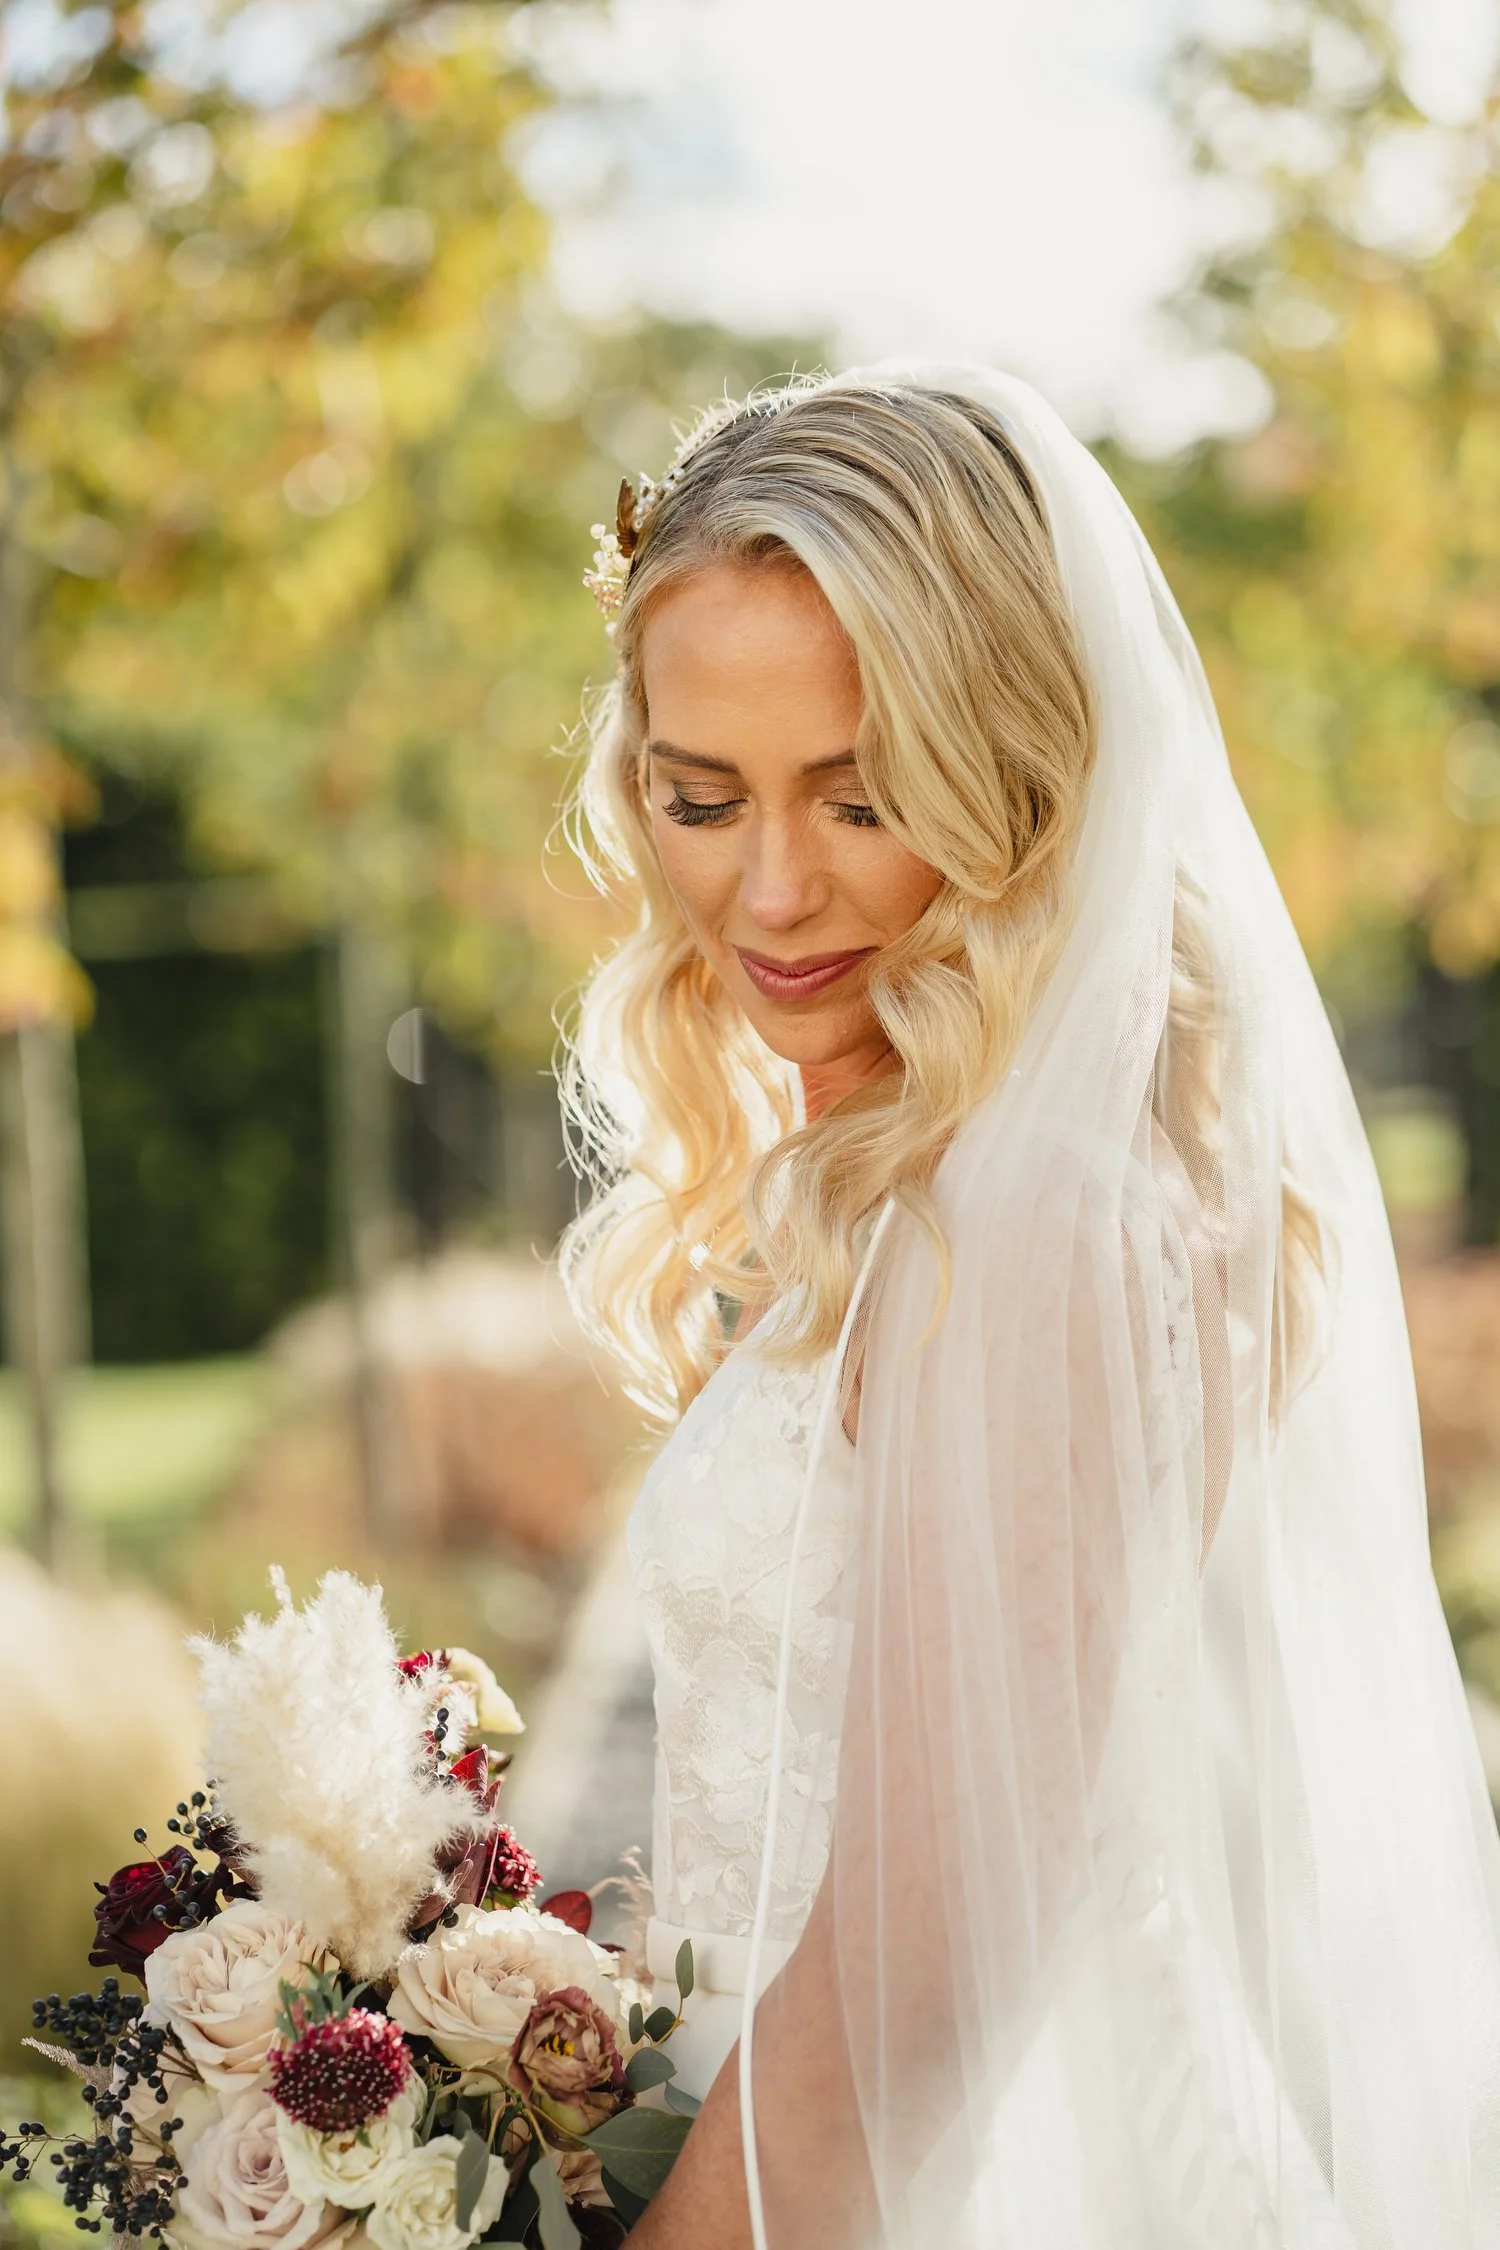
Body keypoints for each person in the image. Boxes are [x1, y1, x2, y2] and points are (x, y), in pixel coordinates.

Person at [559, 366, 1500, 2249]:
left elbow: (910, 1999)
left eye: (863, 792)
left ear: (1019, 765)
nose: (768, 886)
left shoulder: (1034, 1207)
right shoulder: (971, 1165)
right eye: (699, 795)